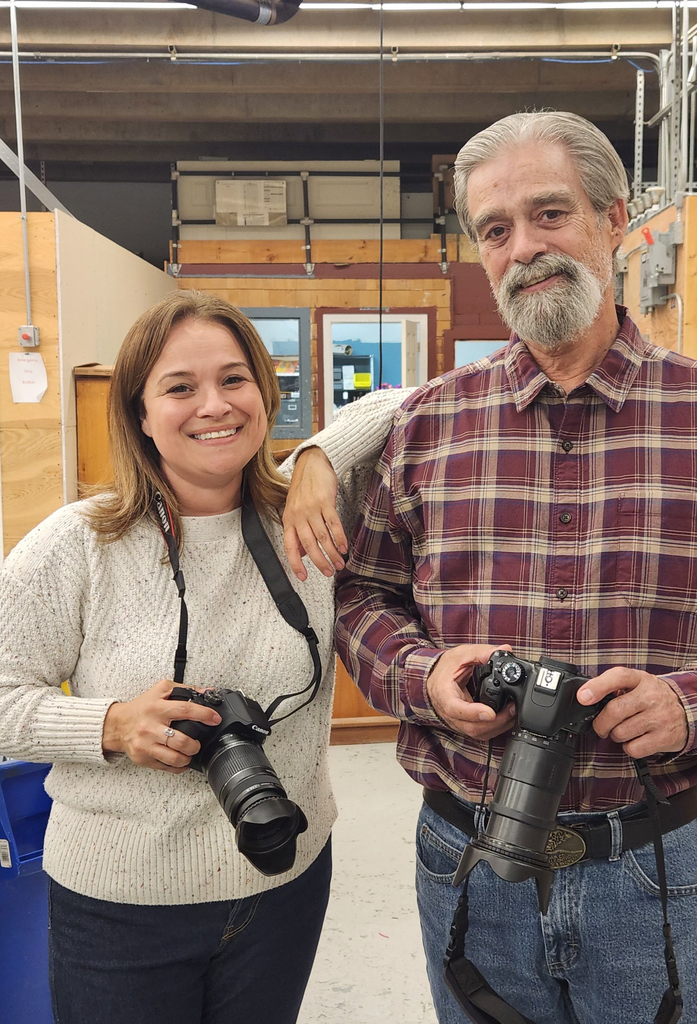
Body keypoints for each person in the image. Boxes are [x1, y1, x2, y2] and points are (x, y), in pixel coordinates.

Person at [335, 111, 697, 1024]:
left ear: (617, 221)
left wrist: (696, 700)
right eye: (496, 230)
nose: (524, 248)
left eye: (550, 214)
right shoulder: (430, 425)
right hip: (466, 861)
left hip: (648, 867)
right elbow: (364, 596)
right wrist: (423, 675)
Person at [0, 290, 403, 1024]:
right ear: (141, 416)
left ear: (264, 391)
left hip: (284, 880)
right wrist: (112, 726)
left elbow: (412, 401)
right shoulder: (81, 543)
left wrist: (318, 454)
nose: (213, 405)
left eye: (233, 379)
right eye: (180, 388)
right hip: (119, 905)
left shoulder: (312, 516)